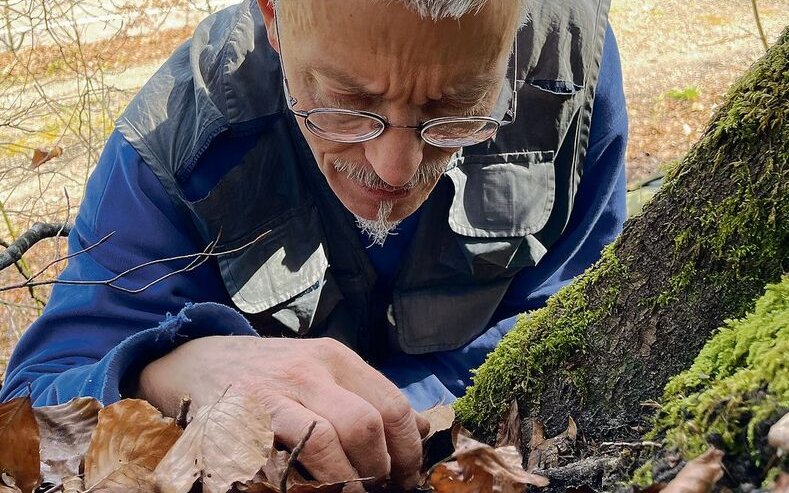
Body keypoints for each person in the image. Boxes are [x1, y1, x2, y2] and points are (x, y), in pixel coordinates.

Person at [1, 0, 627, 489]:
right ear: (273, 15)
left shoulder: (574, 74)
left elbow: (590, 313)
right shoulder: (177, 142)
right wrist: (161, 371)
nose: (395, 168)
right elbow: (31, 409)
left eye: (458, 107)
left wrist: (398, 408)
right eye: (347, 103)